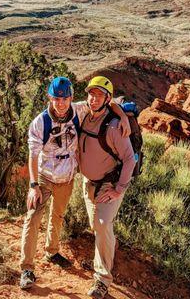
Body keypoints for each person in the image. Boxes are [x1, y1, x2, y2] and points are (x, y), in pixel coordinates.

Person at [20, 76, 130, 290]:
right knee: (33, 216)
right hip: (44, 176)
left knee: (58, 215)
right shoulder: (40, 122)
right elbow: (32, 155)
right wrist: (33, 186)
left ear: (71, 98)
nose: (60, 103)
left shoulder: (79, 110)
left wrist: (123, 116)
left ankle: (51, 251)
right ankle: (27, 268)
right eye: (56, 99)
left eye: (65, 98)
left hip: (67, 177)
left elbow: (108, 100)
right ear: (49, 98)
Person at [79, 76, 136, 299]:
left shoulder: (114, 128)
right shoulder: (83, 113)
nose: (93, 99)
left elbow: (130, 159)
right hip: (87, 183)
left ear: (108, 98)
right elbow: (59, 104)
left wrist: (119, 188)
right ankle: (107, 249)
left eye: (99, 95)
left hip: (108, 185)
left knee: (102, 224)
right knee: (97, 227)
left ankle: (102, 280)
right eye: (91, 94)